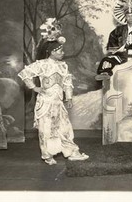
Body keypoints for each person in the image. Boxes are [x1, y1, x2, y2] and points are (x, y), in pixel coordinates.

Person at [18, 18, 89, 165]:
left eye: (62, 50)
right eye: (60, 50)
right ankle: (48, 156)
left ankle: (72, 152)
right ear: (51, 52)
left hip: (58, 103)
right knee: (46, 130)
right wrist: (35, 87)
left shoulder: (63, 66)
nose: (62, 53)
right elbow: (25, 73)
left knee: (64, 128)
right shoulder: (42, 65)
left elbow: (67, 83)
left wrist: (68, 98)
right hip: (45, 103)